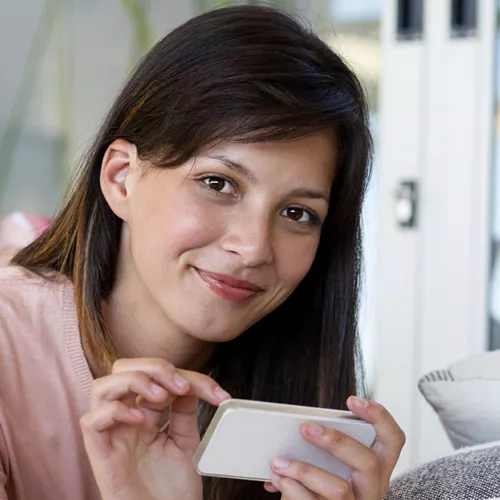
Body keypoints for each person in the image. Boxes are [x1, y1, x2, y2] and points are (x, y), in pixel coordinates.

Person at [0, 5, 405, 500]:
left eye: (297, 214)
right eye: (219, 183)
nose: (253, 247)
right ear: (121, 178)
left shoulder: (296, 406)